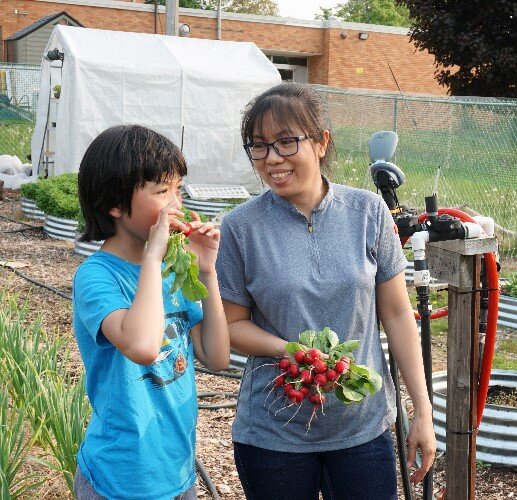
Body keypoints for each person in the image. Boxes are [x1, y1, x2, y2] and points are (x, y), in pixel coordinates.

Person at [216, 82, 436, 499]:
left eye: (286, 142)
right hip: (273, 431)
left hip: (361, 427)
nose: (272, 159)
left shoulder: (367, 213)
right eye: (258, 147)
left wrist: (421, 411)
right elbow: (231, 325)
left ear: (321, 142)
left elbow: (397, 316)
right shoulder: (241, 227)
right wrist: (292, 352)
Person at [73, 124, 230, 499]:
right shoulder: (96, 277)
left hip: (177, 470)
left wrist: (207, 270)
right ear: (115, 205)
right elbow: (142, 347)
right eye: (162, 191)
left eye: (177, 188)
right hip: (121, 478)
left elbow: (217, 356)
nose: (176, 203)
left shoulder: (172, 269)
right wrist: (154, 256)